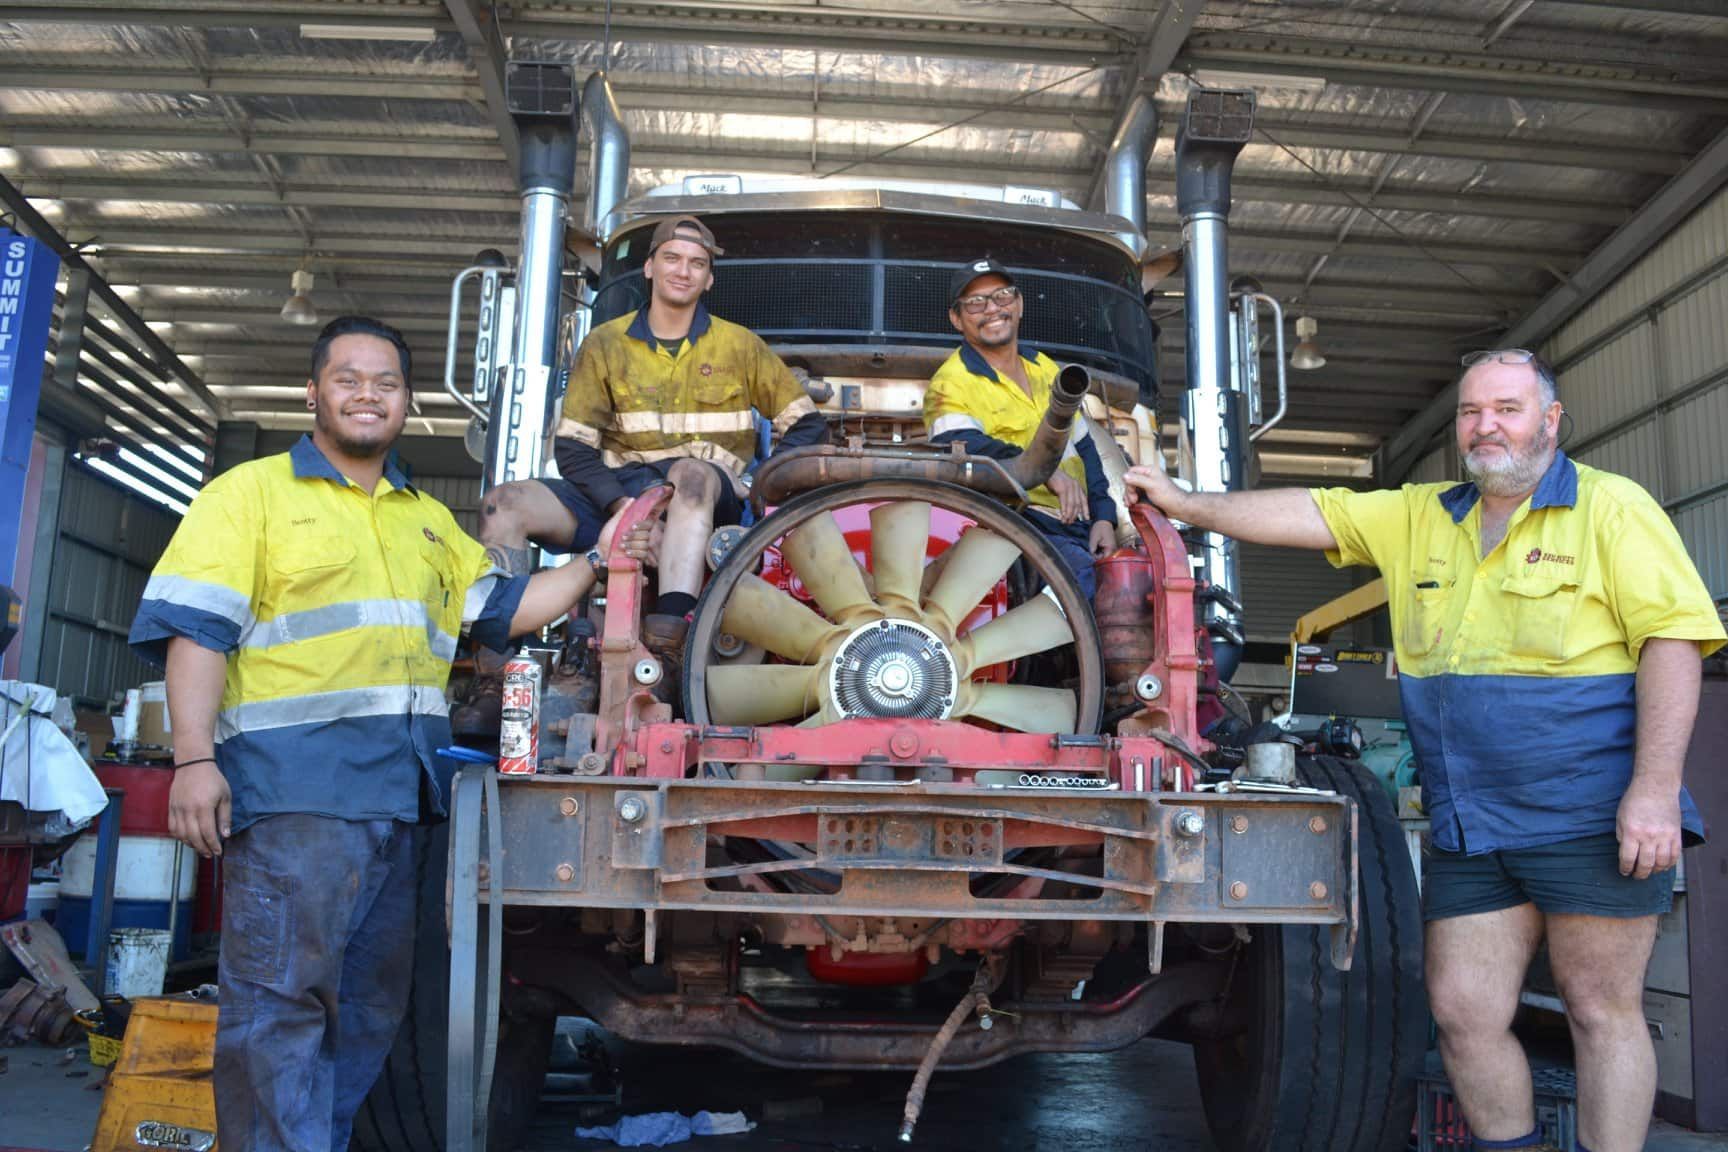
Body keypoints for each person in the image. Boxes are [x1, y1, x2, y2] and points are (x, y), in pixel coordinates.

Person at [1122, 348, 1724, 1152]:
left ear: (1551, 421)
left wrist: (1653, 790)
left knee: (1598, 1009)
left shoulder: (1613, 511)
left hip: (1589, 809)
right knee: (1463, 1014)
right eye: (1472, 412)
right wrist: (1187, 504)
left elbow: (1674, 643)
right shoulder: (1422, 516)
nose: (1486, 427)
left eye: (1507, 409)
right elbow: (1314, 512)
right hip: (1470, 820)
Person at [127, 315, 652, 1152]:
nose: (367, 395)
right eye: (348, 379)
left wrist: (603, 560)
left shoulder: (423, 523)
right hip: (296, 796)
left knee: (371, 1008)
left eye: (386, 383)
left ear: (408, 402)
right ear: (314, 393)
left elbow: (507, 610)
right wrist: (194, 760)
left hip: (401, 804)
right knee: (280, 1005)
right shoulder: (249, 495)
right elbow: (197, 633)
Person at [454, 213, 826, 725]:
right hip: (618, 495)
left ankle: (668, 653)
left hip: (704, 500)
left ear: (709, 279)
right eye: (672, 259)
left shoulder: (741, 346)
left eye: (697, 264)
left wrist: (754, 486)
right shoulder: (604, 344)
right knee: (504, 501)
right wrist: (622, 509)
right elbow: (575, 448)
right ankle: (494, 677)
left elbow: (807, 427)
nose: (683, 271)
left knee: (692, 475)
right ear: (650, 268)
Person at [922, 258, 1116, 598]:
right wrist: (1043, 472)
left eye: (1002, 296)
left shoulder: (1043, 367)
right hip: (1014, 527)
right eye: (976, 303)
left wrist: (1105, 518)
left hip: (1079, 526)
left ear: (1020, 304)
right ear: (956, 319)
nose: (993, 309)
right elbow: (964, 450)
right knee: (1084, 584)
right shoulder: (949, 384)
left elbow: (1086, 449)